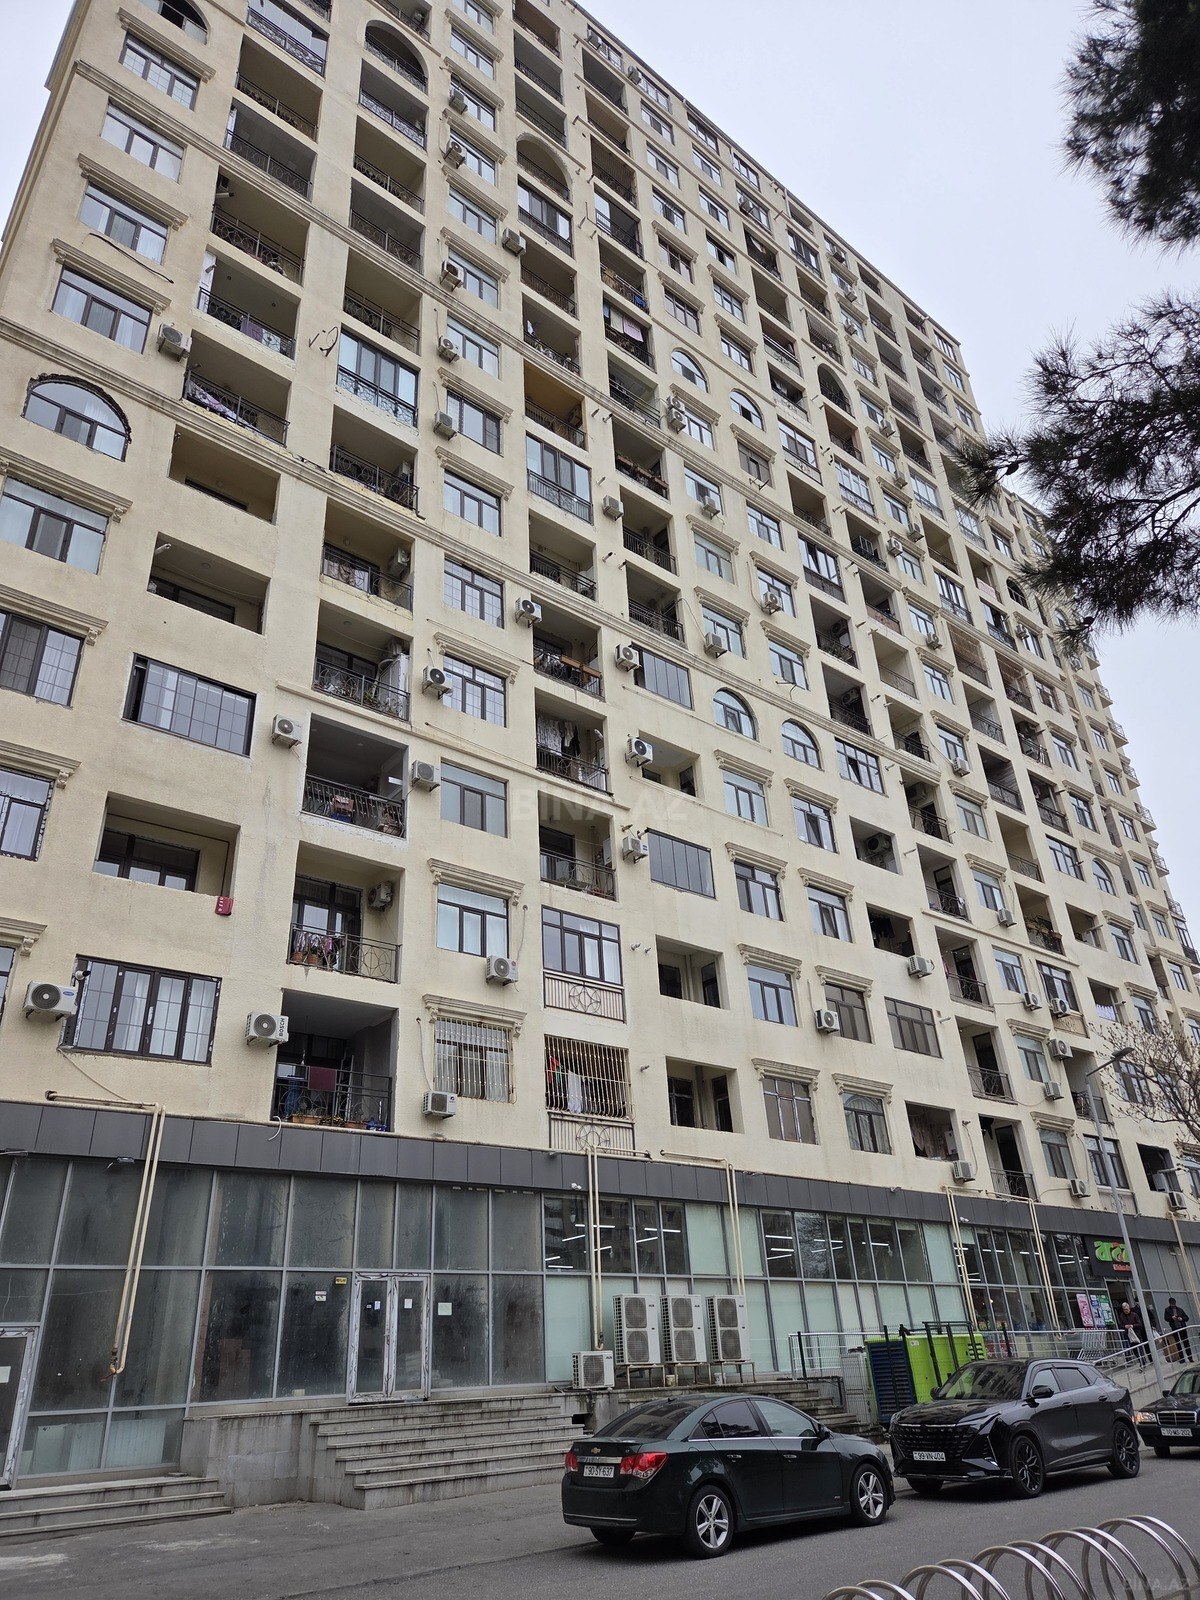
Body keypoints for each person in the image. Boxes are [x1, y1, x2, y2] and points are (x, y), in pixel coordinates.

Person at [1165, 1297, 1193, 1363]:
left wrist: (1181, 1319)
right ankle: (1182, 1359)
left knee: (1186, 1343)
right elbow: (1166, 1318)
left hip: (1182, 1327)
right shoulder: (1167, 1310)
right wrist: (1172, 1318)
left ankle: (1190, 1357)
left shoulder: (1180, 1309)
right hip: (1175, 1328)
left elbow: (1187, 1318)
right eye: (1172, 1304)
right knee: (1178, 1344)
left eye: (1174, 1304)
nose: (1173, 1305)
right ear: (1170, 1303)